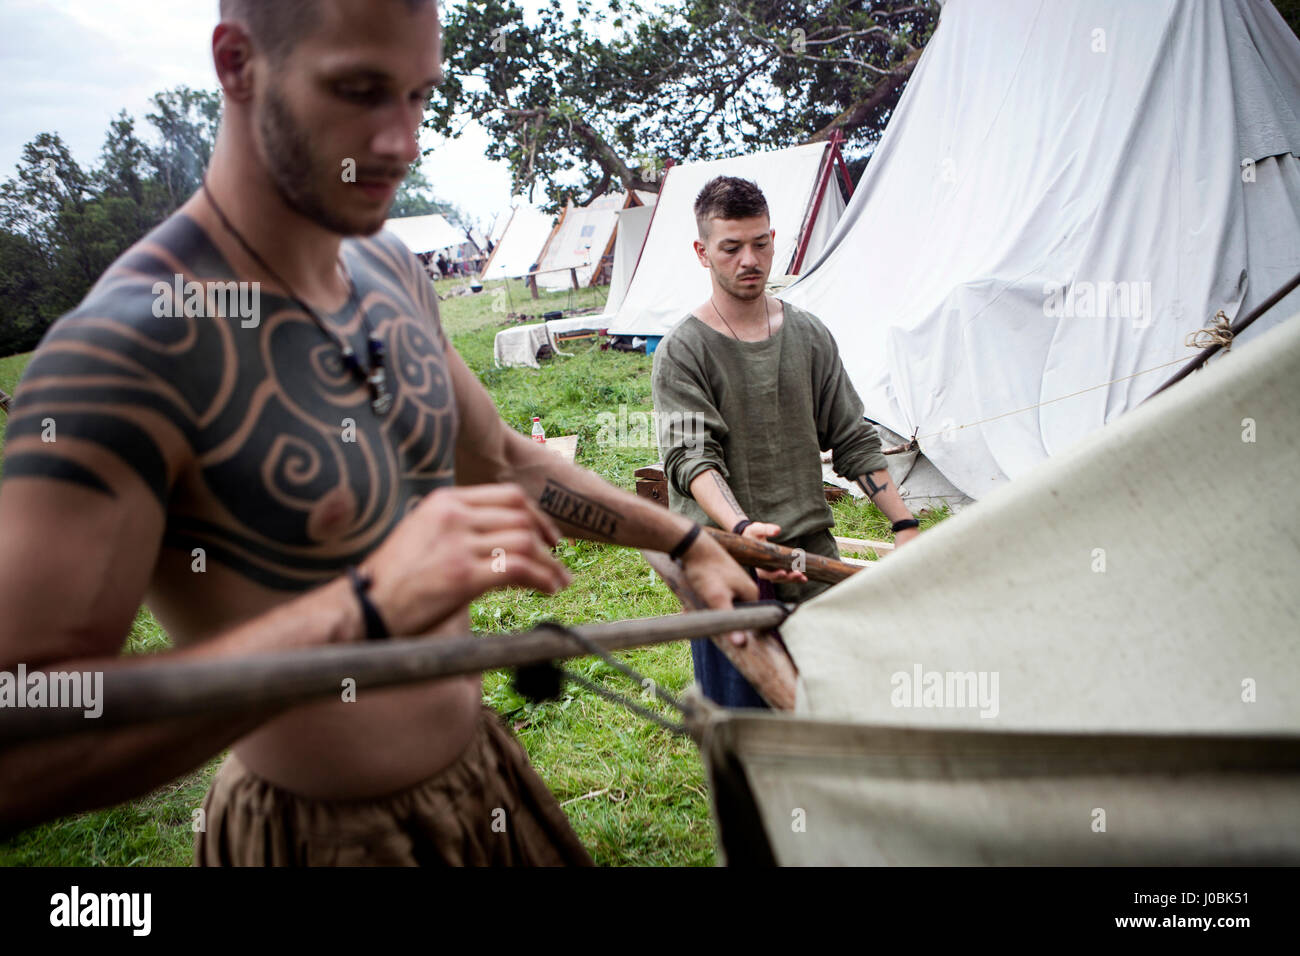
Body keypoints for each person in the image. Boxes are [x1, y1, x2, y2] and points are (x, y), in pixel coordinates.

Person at [0, 0, 756, 865]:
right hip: (317, 837)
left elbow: (502, 460)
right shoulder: (127, 350)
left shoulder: (391, 270)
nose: (401, 141)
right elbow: (22, 745)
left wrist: (687, 542)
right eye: (360, 90)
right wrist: (363, 609)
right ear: (237, 62)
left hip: (485, 787)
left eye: (419, 95)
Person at [652, 176, 921, 709]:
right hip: (727, 569)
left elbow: (851, 437)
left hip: (812, 561)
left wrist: (905, 524)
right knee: (746, 730)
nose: (749, 259)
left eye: (760, 243)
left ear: (774, 238)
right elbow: (692, 458)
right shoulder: (683, 352)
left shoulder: (809, 336)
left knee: (834, 711)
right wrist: (746, 533)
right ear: (702, 252)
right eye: (731, 248)